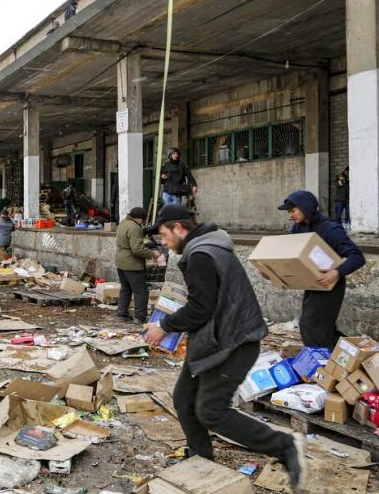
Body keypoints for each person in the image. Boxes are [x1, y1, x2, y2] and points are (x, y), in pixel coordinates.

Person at [142, 204, 308, 492]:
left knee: (210, 411)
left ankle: (285, 445)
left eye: (164, 234)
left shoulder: (201, 255)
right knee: (184, 398)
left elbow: (200, 308)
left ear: (178, 228)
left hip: (232, 344)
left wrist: (165, 326)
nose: (163, 241)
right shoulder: (206, 248)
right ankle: (201, 458)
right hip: (213, 341)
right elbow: (206, 302)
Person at [278, 190, 365, 350]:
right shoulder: (298, 229)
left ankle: (328, 361)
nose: (290, 215)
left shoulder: (331, 229)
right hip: (312, 283)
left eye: (293, 210)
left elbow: (357, 257)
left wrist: (336, 272)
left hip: (331, 283)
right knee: (319, 329)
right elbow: (290, 256)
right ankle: (356, 353)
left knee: (311, 326)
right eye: (288, 212)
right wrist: (273, 271)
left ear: (305, 207)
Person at [115, 207, 160, 324]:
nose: (143, 222)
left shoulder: (124, 222)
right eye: (143, 220)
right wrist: (152, 253)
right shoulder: (135, 228)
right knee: (141, 291)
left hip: (120, 262)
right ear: (140, 218)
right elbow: (137, 249)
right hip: (132, 264)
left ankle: (122, 314)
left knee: (125, 288)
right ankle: (140, 317)